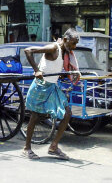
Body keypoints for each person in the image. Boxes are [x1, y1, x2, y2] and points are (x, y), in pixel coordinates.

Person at [22, 28, 80, 160]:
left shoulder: (66, 52)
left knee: (67, 113)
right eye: (73, 43)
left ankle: (54, 146)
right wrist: (36, 70)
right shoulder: (54, 48)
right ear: (65, 40)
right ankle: (26, 148)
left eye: (75, 44)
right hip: (41, 86)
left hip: (52, 86)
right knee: (35, 116)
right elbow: (28, 51)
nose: (74, 47)